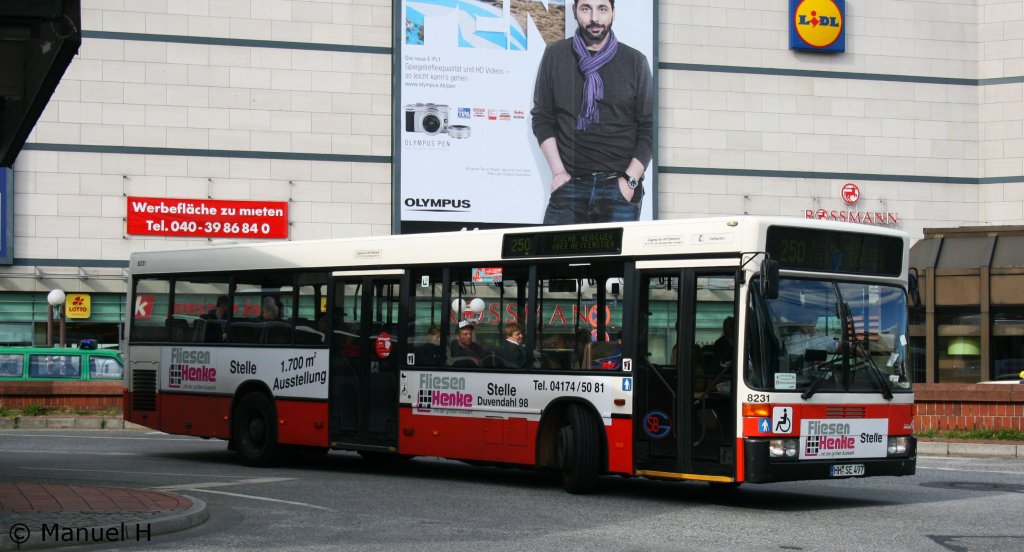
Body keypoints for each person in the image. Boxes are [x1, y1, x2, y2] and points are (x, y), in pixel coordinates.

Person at [531, 0, 653, 225]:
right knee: (551, 250)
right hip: (570, 186)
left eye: (602, 9)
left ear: (613, 13)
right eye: (586, 8)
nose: (595, 18)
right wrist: (558, 173)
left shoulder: (635, 62)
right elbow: (542, 118)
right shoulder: (555, 55)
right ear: (575, 11)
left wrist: (630, 180)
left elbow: (650, 127)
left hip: (619, 188)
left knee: (614, 252)